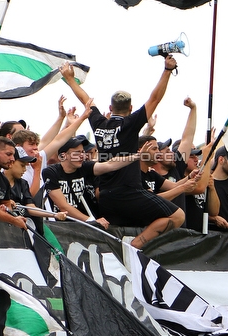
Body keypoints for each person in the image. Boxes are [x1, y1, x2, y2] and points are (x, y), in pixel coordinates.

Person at [60, 57, 183, 248]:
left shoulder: (99, 123)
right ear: (131, 109)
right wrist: (167, 70)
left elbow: (86, 100)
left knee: (136, 223)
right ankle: (135, 247)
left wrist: (69, 79)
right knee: (178, 216)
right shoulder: (130, 124)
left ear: (110, 108)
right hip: (129, 194)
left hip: (107, 200)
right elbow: (155, 99)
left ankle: (125, 252)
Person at [42, 135, 142, 228]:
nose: (83, 156)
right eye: (77, 153)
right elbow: (63, 206)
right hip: (63, 227)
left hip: (89, 226)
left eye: (83, 152)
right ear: (64, 155)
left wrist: (136, 157)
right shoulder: (51, 172)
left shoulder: (85, 167)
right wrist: (90, 220)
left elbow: (110, 164)